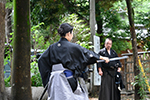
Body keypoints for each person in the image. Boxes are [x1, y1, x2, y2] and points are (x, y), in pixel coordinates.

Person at [38, 23, 109, 100]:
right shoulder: (72, 47)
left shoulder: (52, 48)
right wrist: (100, 58)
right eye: (72, 33)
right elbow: (87, 54)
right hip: (67, 77)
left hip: (54, 79)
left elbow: (41, 60)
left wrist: (48, 78)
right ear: (68, 33)